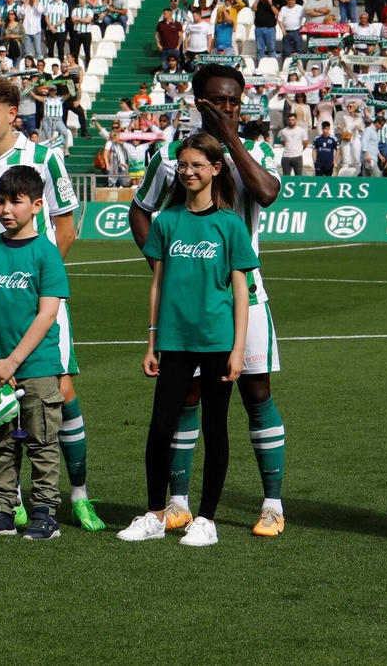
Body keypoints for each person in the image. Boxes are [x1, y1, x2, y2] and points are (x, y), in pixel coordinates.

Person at [131, 62, 286, 538]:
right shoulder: (170, 156)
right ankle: (177, 503)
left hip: (245, 299)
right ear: (198, 102)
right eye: (218, 100)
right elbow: (140, 210)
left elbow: (267, 193)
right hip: (188, 306)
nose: (228, 108)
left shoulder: (258, 150)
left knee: (256, 393)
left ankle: (272, 504)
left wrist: (231, 140)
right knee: (186, 398)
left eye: (234, 101)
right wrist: (166, 268)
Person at [0, 75, 101, 531]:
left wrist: (37, 279)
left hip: (38, 295)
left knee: (61, 392)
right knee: (1, 396)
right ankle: (10, 501)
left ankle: (78, 495)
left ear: (13, 114)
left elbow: (66, 227)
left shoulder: (45, 158)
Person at [118, 133, 256, 548]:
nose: (189, 172)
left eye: (197, 165)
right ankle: (155, 515)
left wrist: (238, 350)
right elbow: (158, 284)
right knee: (161, 427)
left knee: (215, 427)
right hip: (174, 339)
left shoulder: (230, 224)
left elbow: (241, 292)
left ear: (216, 169)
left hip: (217, 339)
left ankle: (207, 520)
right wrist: (152, 341)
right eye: (183, 165)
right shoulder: (167, 220)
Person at [0, 165, 70, 541]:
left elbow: (47, 314)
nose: (6, 209)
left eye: (16, 201)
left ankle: (45, 513)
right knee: (2, 442)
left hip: (36, 366)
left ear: (38, 205)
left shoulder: (47, 254)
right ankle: (2, 511)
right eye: (1, 201)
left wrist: (12, 362)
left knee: (42, 442)